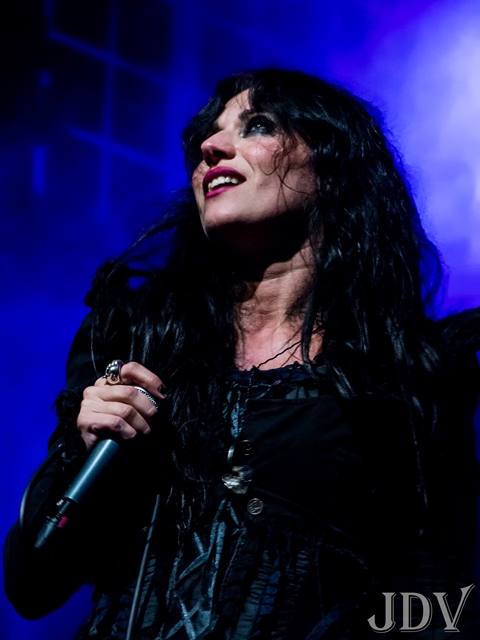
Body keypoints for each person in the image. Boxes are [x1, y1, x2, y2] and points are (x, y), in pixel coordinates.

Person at [4, 68, 480, 639]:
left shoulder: (409, 372)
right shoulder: (137, 339)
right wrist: (82, 452)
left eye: (257, 126)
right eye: (209, 135)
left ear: (332, 170)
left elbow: (441, 596)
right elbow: (30, 586)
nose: (211, 147)